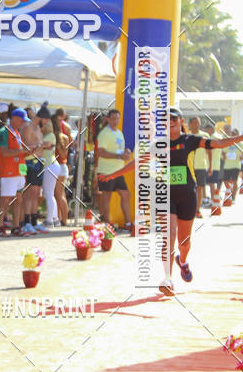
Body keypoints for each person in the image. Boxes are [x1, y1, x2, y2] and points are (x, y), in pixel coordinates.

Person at [100, 107, 243, 296]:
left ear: (180, 121)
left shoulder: (190, 140)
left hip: (188, 196)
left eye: (174, 118)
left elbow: (218, 143)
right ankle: (167, 278)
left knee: (184, 243)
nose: (171, 121)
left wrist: (240, 138)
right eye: (167, 119)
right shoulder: (159, 144)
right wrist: (113, 175)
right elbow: (137, 162)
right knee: (169, 234)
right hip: (166, 195)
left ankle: (182, 261)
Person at [95, 109, 132, 229]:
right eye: (113, 118)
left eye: (117, 118)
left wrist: (126, 152)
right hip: (106, 171)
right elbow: (100, 152)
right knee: (107, 196)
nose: (115, 121)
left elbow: (120, 149)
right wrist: (118, 156)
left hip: (118, 171)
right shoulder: (104, 133)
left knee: (126, 195)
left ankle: (127, 223)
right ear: (108, 119)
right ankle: (107, 224)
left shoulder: (119, 133)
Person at [20, 109, 54, 234]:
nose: (45, 124)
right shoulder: (28, 128)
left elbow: (36, 145)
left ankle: (33, 221)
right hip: (30, 163)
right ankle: (26, 222)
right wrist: (43, 145)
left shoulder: (37, 129)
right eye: (45, 121)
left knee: (36, 194)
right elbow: (26, 148)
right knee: (29, 193)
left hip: (39, 162)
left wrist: (43, 145)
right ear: (41, 118)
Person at [0, 108, 28, 236]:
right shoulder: (4, 131)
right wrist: (22, 151)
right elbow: (3, 152)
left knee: (18, 200)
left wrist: (28, 152)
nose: (23, 123)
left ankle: (16, 227)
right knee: (5, 200)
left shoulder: (17, 132)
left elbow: (17, 153)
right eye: (21, 120)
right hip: (9, 172)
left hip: (20, 171)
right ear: (14, 118)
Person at [38, 108, 59, 229]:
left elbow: (45, 146)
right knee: (50, 194)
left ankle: (49, 220)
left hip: (49, 166)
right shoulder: (49, 135)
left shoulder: (50, 136)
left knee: (48, 193)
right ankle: (54, 218)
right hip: (51, 165)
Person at [51, 113, 71, 226]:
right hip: (61, 167)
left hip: (59, 166)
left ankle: (64, 219)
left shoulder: (59, 137)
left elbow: (63, 154)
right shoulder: (64, 137)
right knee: (58, 194)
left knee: (59, 194)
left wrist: (57, 146)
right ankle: (60, 218)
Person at [187, 116, 208, 217]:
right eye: (194, 122)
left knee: (199, 188)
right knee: (189, 189)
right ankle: (189, 210)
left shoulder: (204, 135)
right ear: (190, 124)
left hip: (201, 165)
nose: (196, 124)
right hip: (188, 166)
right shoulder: (186, 136)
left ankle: (197, 210)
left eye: (198, 122)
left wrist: (210, 166)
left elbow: (209, 151)